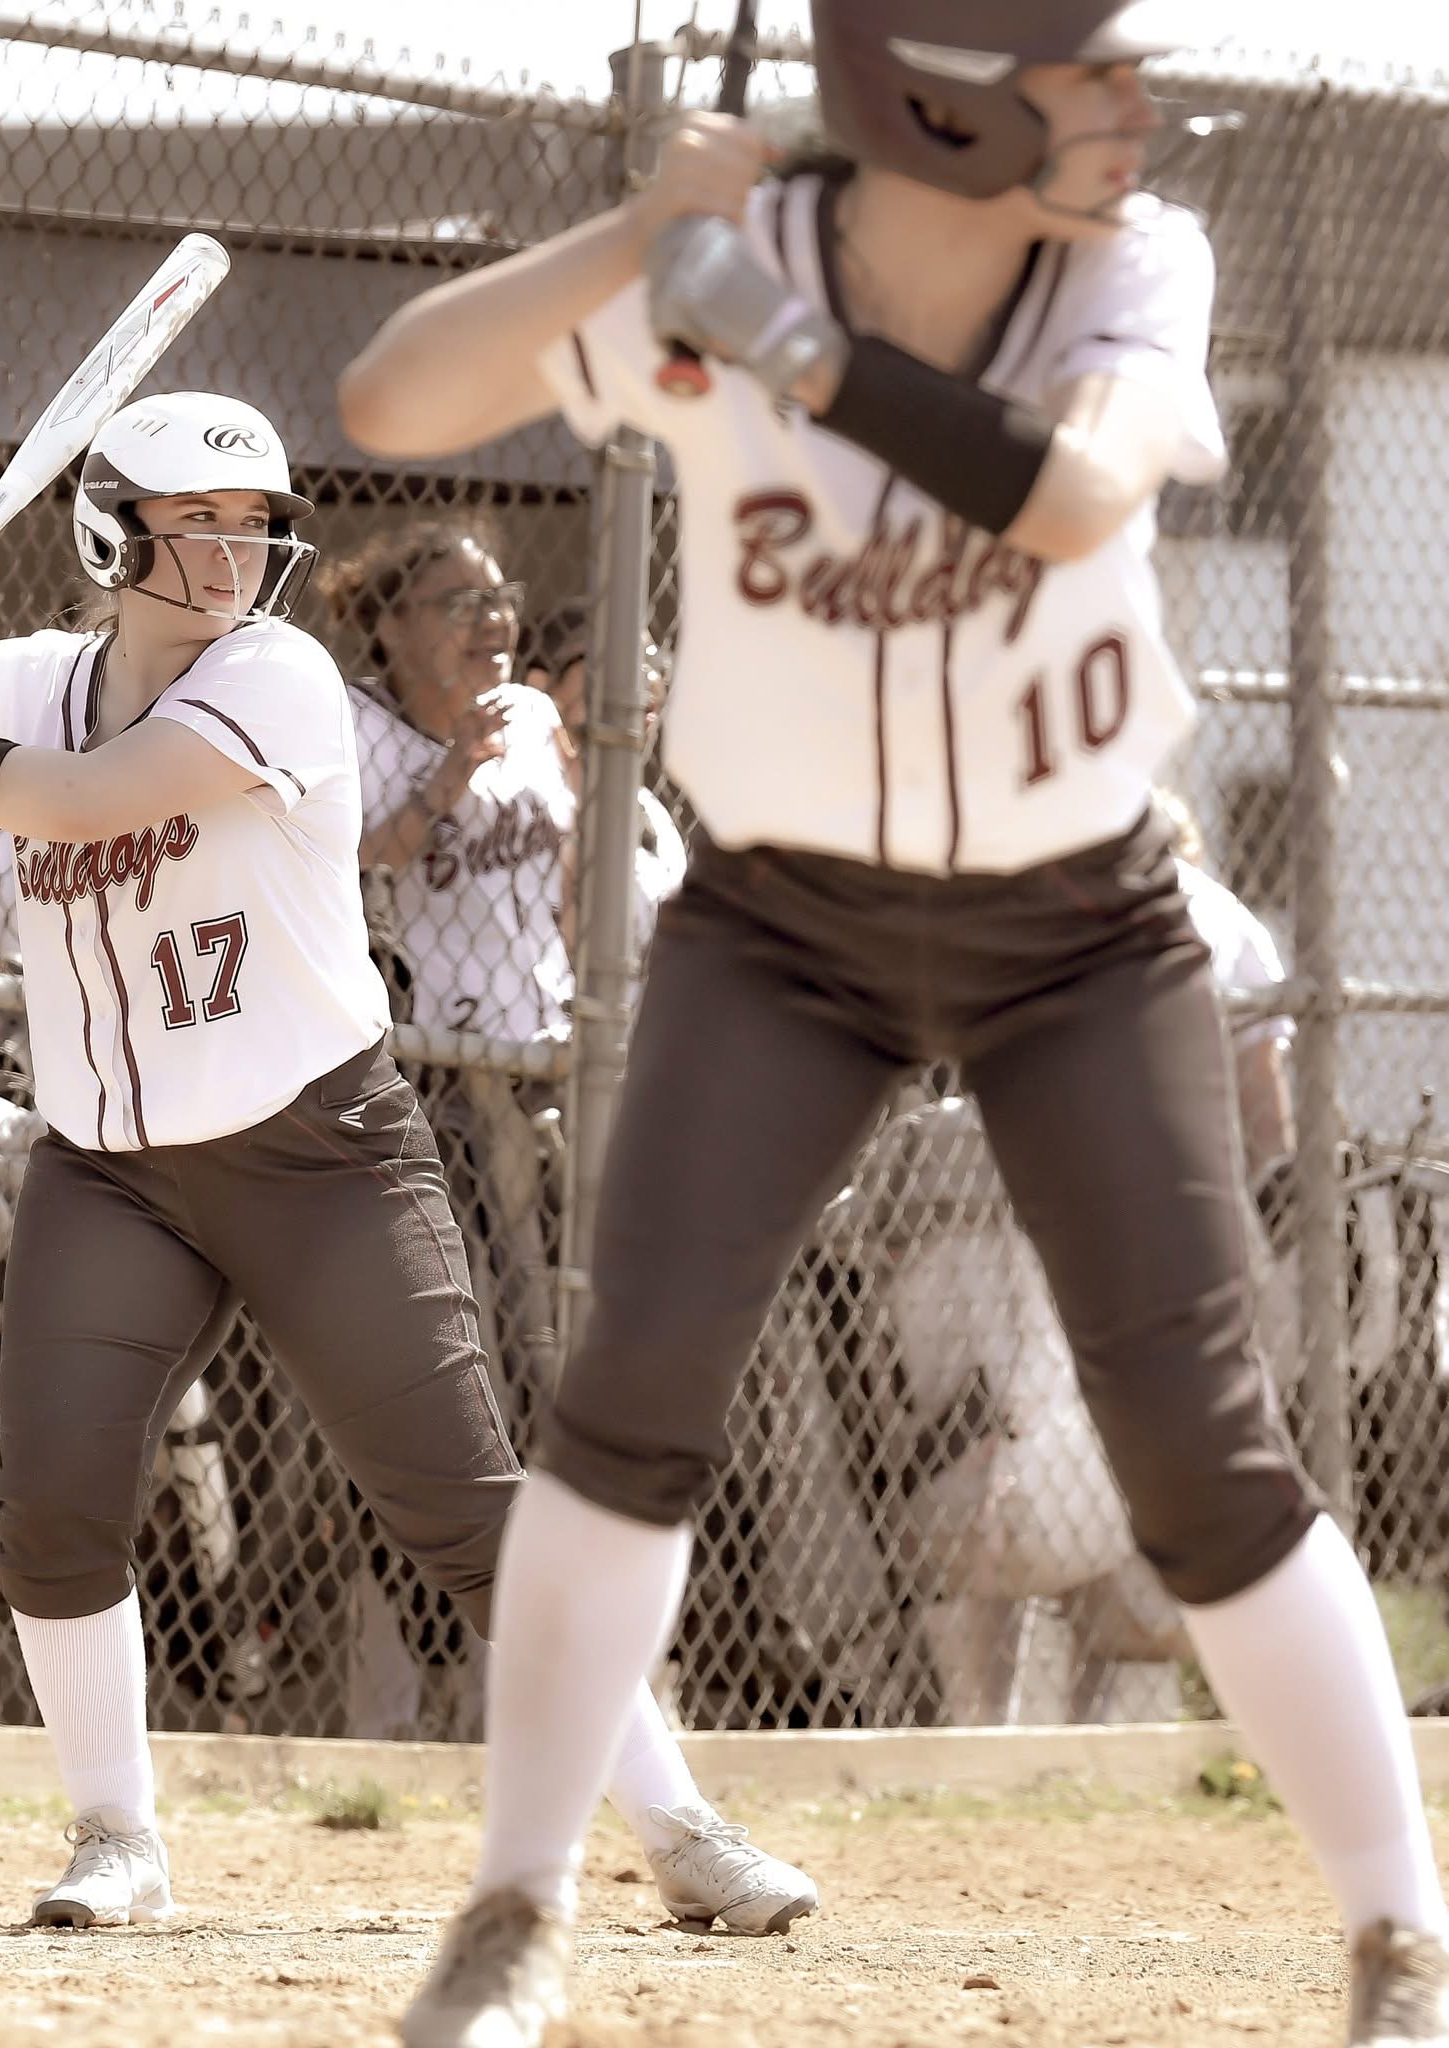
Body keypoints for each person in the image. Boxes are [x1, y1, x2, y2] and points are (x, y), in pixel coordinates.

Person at [338, 6, 1449, 2044]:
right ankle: (513, 1912)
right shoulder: (732, 254)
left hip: (1078, 927)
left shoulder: (1128, 260)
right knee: (631, 1395)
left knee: (1200, 1448)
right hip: (788, 927)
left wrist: (781, 341)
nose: (1131, 104)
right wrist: (639, 235)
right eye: (1081, 70)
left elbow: (1070, 497)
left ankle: (1400, 1942)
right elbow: (392, 395)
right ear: (932, 97)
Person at [0, 388, 815, 1934]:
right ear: (109, 533)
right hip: (111, 1167)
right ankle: (115, 1838)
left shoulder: (278, 675)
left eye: (251, 527)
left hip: (317, 1154)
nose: (227, 555)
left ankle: (678, 1828)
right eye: (191, 525)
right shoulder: (31, 680)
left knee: (463, 1506)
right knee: (53, 1505)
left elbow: (73, 800)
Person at [323, 522, 573, 1415]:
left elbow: (576, 865)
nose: (492, 621)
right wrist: (450, 775)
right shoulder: (354, 727)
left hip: (555, 1044)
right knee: (499, 1324)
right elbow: (356, 862)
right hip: (441, 1066)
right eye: (461, 604)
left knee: (581, 1303)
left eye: (500, 599)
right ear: (391, 626)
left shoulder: (534, 717)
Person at [518, 602, 687, 965]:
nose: (645, 679)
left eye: (652, 662)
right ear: (541, 684)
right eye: (615, 661)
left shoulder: (653, 813)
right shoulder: (517, 798)